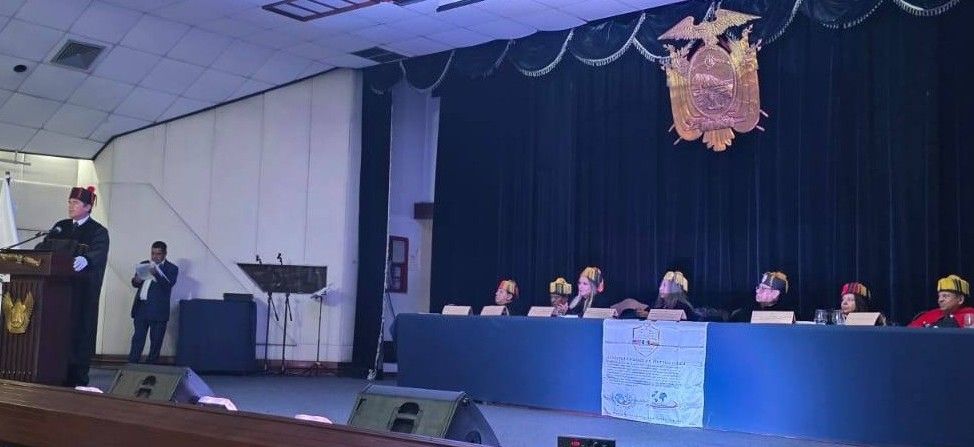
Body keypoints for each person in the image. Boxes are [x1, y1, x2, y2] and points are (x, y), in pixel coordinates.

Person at [40, 186, 109, 387]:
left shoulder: (97, 231)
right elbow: (42, 248)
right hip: (55, 294)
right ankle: (51, 374)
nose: (70, 206)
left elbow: (98, 254)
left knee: (79, 335)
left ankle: (76, 379)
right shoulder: (60, 227)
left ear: (88, 207)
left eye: (75, 203)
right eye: (69, 202)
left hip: (81, 295)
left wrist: (87, 259)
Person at [128, 241, 179, 364]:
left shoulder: (172, 268)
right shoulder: (144, 264)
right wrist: (136, 280)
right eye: (153, 253)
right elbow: (135, 284)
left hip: (158, 310)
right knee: (137, 339)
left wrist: (157, 274)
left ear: (165, 254)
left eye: (158, 254)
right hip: (141, 308)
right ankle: (131, 365)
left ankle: (150, 367)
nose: (155, 256)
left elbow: (168, 285)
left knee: (156, 341)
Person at [612, 271, 698, 320]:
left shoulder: (682, 306)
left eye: (664, 286)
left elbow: (675, 319)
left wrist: (648, 315)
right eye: (661, 285)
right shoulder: (659, 305)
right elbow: (648, 312)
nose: (660, 288)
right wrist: (640, 313)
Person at [908, 274, 974, 328]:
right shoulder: (930, 314)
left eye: (945, 296)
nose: (940, 300)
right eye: (939, 296)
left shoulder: (970, 315)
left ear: (960, 299)